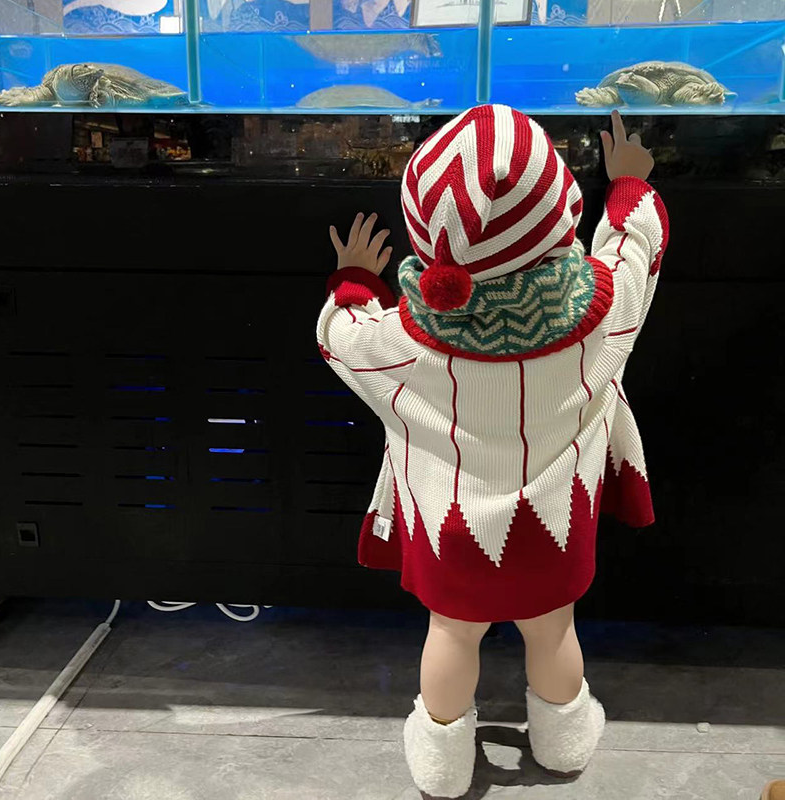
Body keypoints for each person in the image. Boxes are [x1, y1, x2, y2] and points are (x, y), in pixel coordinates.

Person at [317, 106, 668, 797]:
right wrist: (628, 184)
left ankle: (444, 766)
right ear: (560, 215)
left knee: (451, 634)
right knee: (553, 632)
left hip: (450, 534)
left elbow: (340, 337)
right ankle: (564, 744)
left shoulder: (403, 342)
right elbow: (636, 248)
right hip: (555, 528)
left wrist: (353, 280)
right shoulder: (603, 315)